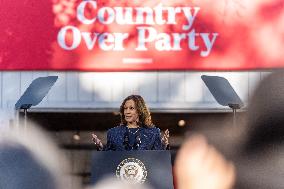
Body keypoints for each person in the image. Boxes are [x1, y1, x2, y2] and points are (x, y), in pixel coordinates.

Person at [92, 95, 169, 150]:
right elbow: (109, 160)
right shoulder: (113, 133)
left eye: (131, 108)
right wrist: (101, 148)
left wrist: (163, 146)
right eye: (125, 108)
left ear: (139, 111)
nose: (127, 112)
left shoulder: (153, 133)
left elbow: (158, 161)